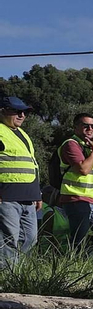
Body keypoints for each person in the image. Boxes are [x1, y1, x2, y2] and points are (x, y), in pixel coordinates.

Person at [56, 113, 93, 248]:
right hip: (77, 198)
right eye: (85, 125)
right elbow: (83, 169)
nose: (90, 129)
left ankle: (88, 265)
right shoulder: (71, 144)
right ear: (75, 128)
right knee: (78, 239)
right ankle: (71, 265)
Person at [0, 96, 42, 260]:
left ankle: (19, 276)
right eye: (17, 111)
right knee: (9, 241)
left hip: (29, 198)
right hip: (7, 197)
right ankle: (8, 280)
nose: (22, 115)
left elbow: (32, 165)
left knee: (30, 239)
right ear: (3, 111)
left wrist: (37, 193)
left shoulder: (23, 134)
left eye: (24, 112)